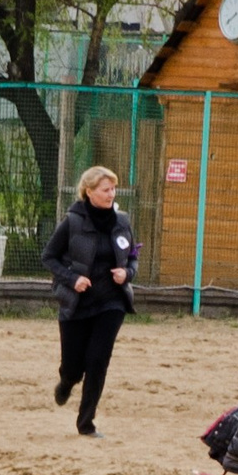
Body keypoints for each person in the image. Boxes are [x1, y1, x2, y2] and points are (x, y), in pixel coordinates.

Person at [38, 166, 138, 437]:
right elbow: (49, 257)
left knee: (97, 361)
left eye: (113, 189)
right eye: (105, 190)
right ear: (89, 192)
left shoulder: (122, 221)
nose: (111, 194)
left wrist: (127, 273)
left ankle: (86, 424)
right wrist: (72, 279)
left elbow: (132, 257)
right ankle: (67, 382)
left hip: (112, 302)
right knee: (73, 367)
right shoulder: (72, 222)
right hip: (77, 303)